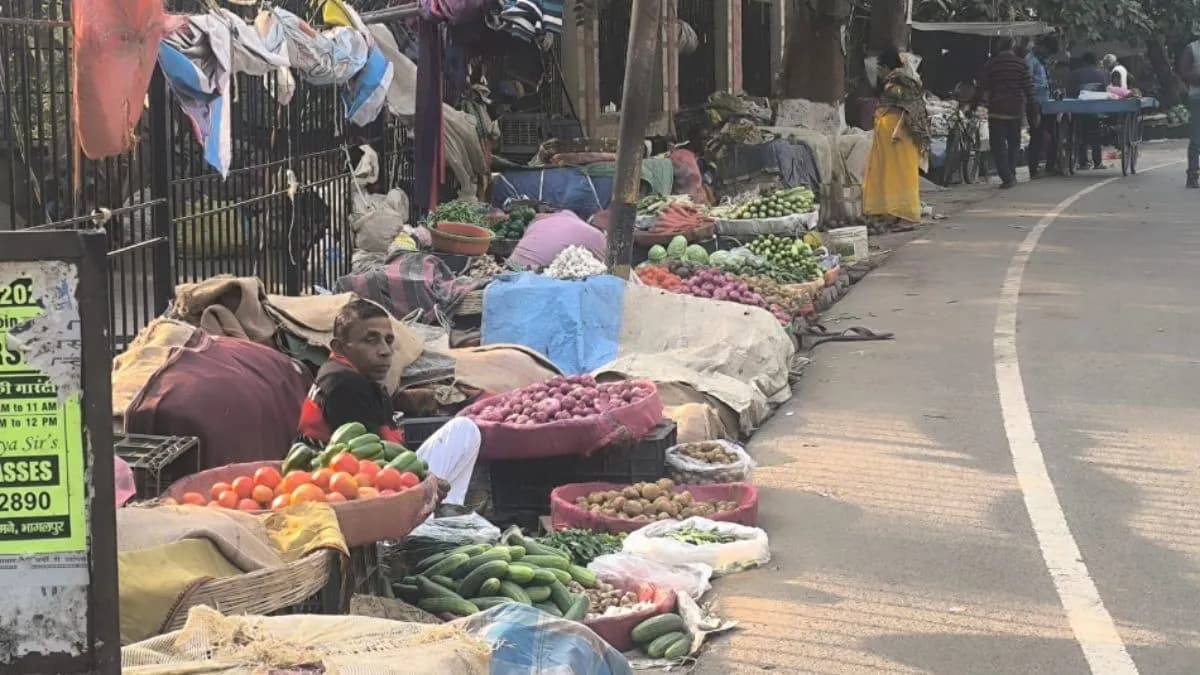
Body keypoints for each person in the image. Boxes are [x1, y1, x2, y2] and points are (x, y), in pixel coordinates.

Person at [297, 298, 480, 505]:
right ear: (340, 347)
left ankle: (443, 513)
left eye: (388, 340)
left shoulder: (349, 374)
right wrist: (425, 479)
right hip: (349, 490)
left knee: (463, 430)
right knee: (464, 430)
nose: (385, 351)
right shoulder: (345, 384)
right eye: (371, 340)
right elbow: (368, 465)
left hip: (369, 477)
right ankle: (431, 518)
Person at [862, 47, 931, 223]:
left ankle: (904, 214)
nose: (878, 72)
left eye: (880, 68)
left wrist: (896, 129)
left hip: (898, 136)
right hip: (893, 137)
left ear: (886, 66)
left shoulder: (898, 83)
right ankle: (892, 212)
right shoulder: (904, 80)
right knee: (891, 174)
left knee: (898, 175)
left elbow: (908, 109)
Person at [980, 39, 1037, 189]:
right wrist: (1033, 109)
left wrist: (975, 105)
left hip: (996, 110)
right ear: (1013, 47)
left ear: (1000, 48)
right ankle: (1010, 172)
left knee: (998, 145)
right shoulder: (1021, 64)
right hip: (1015, 110)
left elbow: (983, 87)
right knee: (1014, 143)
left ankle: (1007, 176)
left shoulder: (991, 64)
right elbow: (1029, 89)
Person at [1024, 37, 1058, 177]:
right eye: (1048, 51)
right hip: (1036, 104)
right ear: (1042, 46)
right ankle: (1033, 169)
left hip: (1047, 103)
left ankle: (1050, 166)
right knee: (1037, 136)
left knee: (1053, 134)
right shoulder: (1030, 60)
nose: (1048, 54)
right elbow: (1028, 82)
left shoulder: (1041, 61)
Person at [1069, 52, 1108, 170]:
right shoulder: (1102, 74)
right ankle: (1098, 162)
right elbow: (1106, 91)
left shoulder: (1074, 74)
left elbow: (1070, 93)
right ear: (1095, 62)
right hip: (1096, 110)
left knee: (1080, 135)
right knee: (1095, 135)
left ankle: (1083, 162)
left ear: (1083, 62)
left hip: (1078, 110)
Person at [1178, 32, 1200, 188]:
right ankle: (1192, 175)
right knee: (1196, 139)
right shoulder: (1191, 49)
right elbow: (1184, 73)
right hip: (1197, 98)